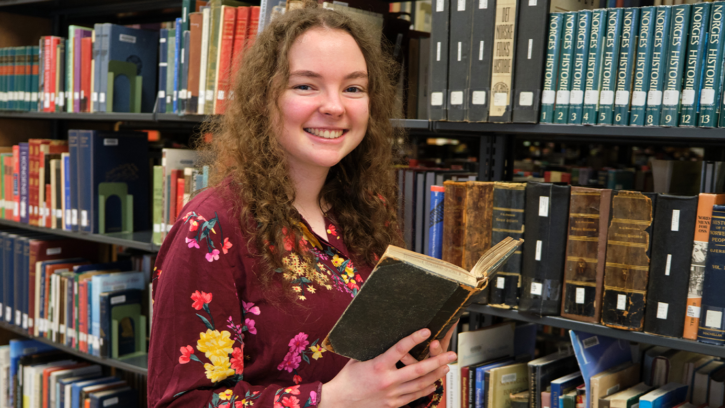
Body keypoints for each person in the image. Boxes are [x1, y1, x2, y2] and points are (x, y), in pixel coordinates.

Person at [148, 4, 455, 408]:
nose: (335, 106)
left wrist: (413, 374)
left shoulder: (364, 211)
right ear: (263, 99)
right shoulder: (212, 226)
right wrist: (330, 400)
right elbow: (180, 402)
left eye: (353, 88)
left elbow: (372, 379)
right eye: (306, 86)